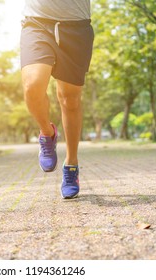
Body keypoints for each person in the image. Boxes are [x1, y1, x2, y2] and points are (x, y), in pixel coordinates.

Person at [20, 0, 94, 199]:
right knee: (32, 86)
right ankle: (47, 132)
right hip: (37, 23)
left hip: (76, 27)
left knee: (70, 99)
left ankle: (71, 163)